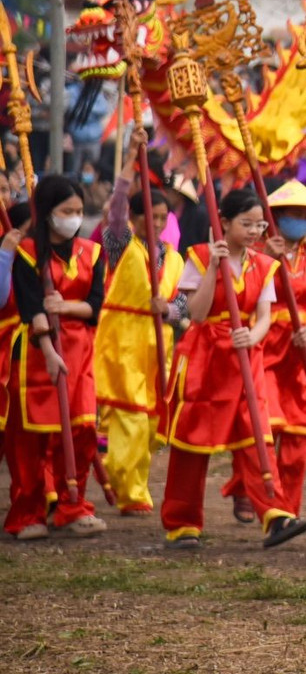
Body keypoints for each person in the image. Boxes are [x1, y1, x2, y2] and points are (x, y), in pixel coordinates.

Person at [161, 187, 306, 549]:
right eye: (246, 223)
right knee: (192, 443)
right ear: (224, 222)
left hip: (246, 359)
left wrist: (253, 336)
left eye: (260, 224)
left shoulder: (264, 264)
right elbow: (195, 314)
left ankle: (275, 514)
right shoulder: (198, 257)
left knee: (257, 435)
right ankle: (182, 522)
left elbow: (264, 316)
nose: (255, 231)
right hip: (204, 357)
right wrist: (214, 266)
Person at [2, 176, 108, 538]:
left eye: (78, 211)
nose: (75, 217)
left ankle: (72, 504)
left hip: (81, 351)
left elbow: (95, 306)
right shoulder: (29, 252)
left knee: (83, 430)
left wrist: (66, 305)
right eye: (67, 211)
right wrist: (48, 350)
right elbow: (31, 307)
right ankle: (28, 513)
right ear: (47, 213)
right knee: (30, 437)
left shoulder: (92, 252)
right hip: (36, 350)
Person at [229, 180, 306, 527]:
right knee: (262, 426)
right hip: (264, 346)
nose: (301, 221)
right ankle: (255, 492)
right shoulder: (255, 254)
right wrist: (270, 259)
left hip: (301, 354)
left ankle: (288, 509)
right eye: (294, 215)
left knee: (298, 435)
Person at [93, 147, 184, 515]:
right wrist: (129, 164)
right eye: (151, 216)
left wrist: (172, 310)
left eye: (163, 217)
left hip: (158, 345)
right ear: (136, 217)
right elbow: (115, 214)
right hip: (123, 339)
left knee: (149, 421)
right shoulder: (121, 245)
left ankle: (132, 481)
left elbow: (187, 305)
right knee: (129, 414)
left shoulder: (175, 258)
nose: (158, 223)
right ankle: (130, 492)